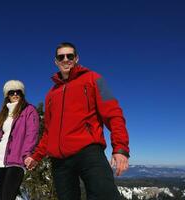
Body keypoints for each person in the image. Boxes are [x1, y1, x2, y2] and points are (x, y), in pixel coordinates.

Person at [25, 42, 130, 200]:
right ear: (56, 61)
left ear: (76, 58)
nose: (66, 59)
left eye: (70, 56)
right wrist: (36, 156)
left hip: (88, 152)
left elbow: (113, 113)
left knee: (106, 195)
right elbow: (48, 131)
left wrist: (120, 148)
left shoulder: (95, 79)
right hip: (59, 162)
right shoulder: (51, 94)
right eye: (61, 57)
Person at [0, 80, 39, 200]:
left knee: (8, 197)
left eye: (18, 92)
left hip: (16, 161)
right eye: (11, 92)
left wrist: (28, 154)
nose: (15, 94)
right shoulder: (2, 114)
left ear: (22, 94)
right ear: (7, 95)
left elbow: (31, 134)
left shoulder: (29, 110)